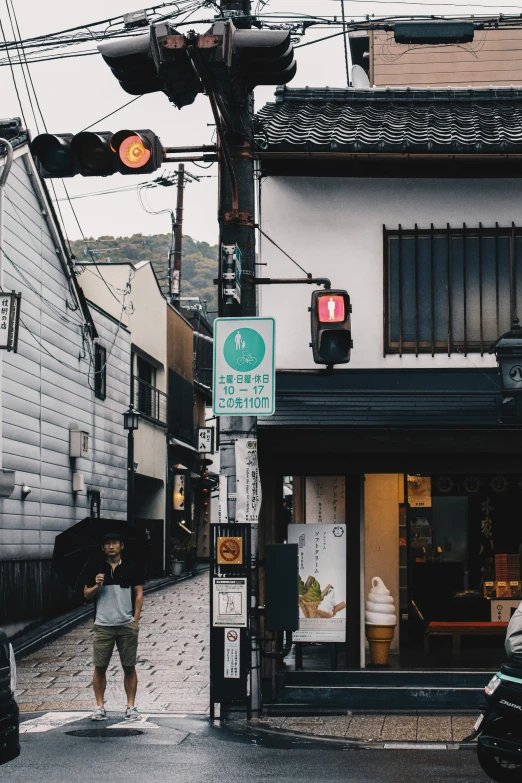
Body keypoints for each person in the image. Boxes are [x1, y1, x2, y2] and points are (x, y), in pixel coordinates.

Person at [83, 532, 144, 721]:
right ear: (102, 548)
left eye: (115, 543)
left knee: (129, 667)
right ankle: (100, 706)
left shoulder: (132, 566)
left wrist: (135, 620)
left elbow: (139, 594)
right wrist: (97, 585)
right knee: (100, 667)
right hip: (103, 625)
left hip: (126, 625)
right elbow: (86, 594)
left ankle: (131, 706)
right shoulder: (95, 567)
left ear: (121, 546)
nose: (111, 546)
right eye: (107, 543)